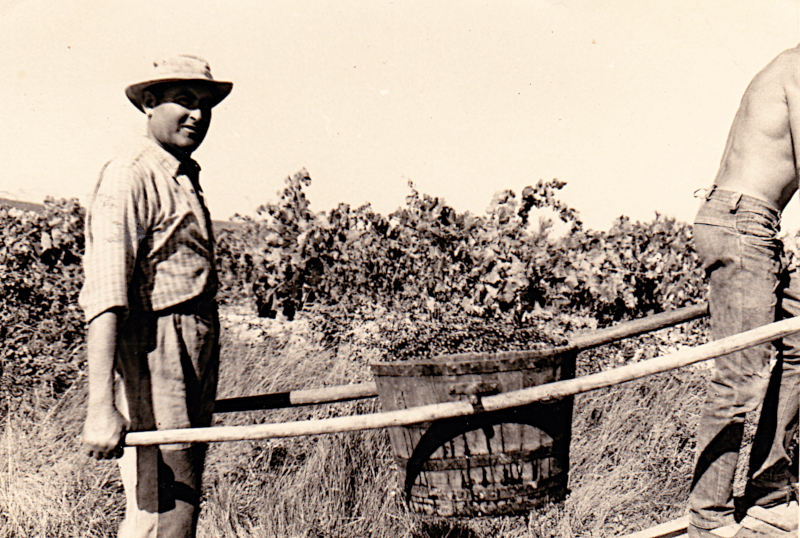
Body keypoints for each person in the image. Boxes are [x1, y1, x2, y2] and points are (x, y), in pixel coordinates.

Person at [79, 54, 232, 537]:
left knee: (172, 495)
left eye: (205, 105)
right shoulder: (131, 172)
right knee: (167, 498)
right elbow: (106, 291)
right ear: (148, 103)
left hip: (192, 340)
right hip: (156, 344)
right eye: (183, 101)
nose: (197, 115)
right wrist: (101, 405)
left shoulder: (182, 174)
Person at [689, 45, 800, 535]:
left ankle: (769, 493)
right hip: (740, 222)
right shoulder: (798, 66)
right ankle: (708, 518)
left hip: (759, 225)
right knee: (741, 374)